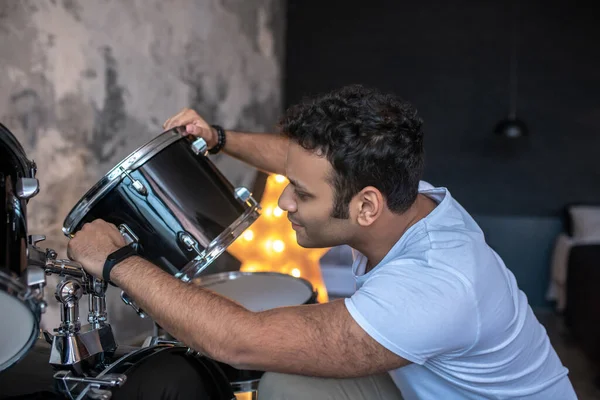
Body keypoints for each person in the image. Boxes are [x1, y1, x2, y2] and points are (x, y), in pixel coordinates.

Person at [67, 85, 577, 399]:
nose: (284, 202)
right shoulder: (404, 197)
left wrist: (118, 261)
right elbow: (299, 157)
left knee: (279, 376)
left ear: (366, 207)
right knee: (289, 384)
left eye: (302, 195)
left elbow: (239, 342)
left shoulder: (436, 286)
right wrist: (219, 138)